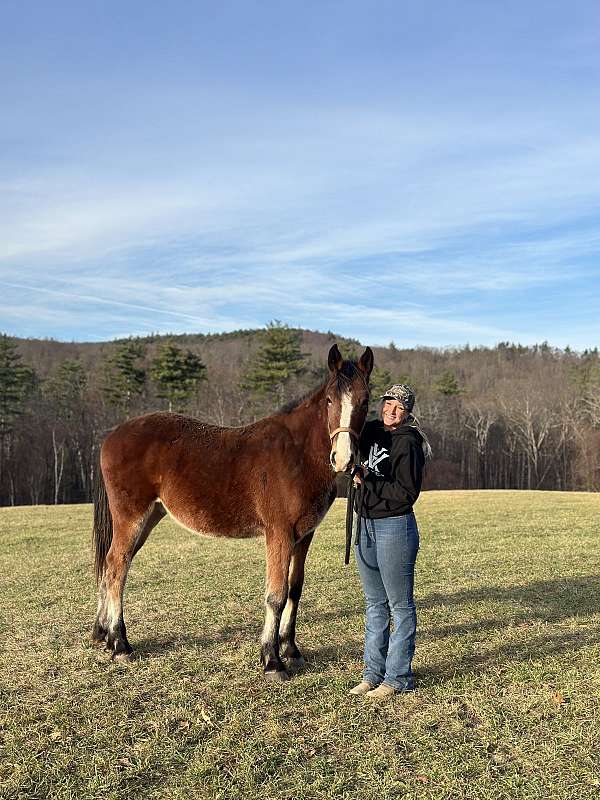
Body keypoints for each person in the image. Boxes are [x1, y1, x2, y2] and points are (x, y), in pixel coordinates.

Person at [349, 383, 431, 699]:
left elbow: (406, 493)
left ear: (408, 412)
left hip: (394, 527)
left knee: (400, 605)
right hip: (365, 524)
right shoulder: (372, 431)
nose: (390, 410)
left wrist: (369, 480)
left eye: (398, 406)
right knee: (374, 604)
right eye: (387, 404)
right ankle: (372, 674)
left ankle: (397, 677)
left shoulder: (408, 444)